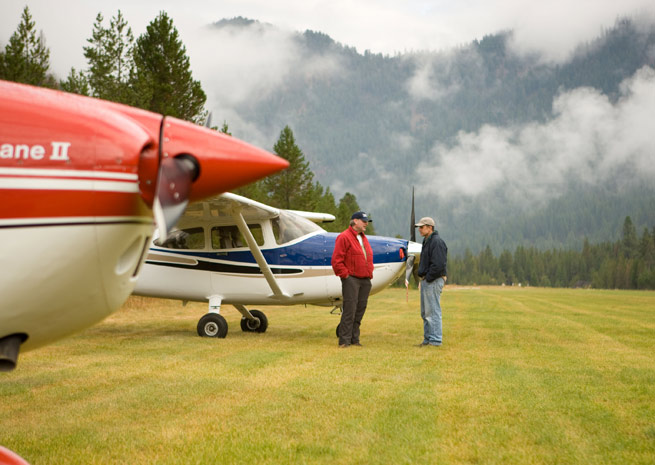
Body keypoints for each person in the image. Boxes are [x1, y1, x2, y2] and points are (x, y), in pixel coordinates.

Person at [331, 211, 374, 348]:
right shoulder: (343, 237)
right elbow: (336, 261)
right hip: (352, 279)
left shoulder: (363, 238)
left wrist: (369, 272)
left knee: (360, 309)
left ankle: (355, 339)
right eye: (364, 221)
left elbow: (366, 256)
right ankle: (344, 341)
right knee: (350, 309)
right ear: (355, 221)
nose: (366, 223)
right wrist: (346, 276)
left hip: (365, 279)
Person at [415, 216, 448, 347]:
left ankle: (435, 340)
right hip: (427, 280)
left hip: (433, 280)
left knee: (433, 311)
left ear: (430, 227)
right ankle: (427, 339)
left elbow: (438, 265)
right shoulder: (427, 241)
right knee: (425, 312)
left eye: (422, 227)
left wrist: (428, 278)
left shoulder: (437, 242)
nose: (419, 230)